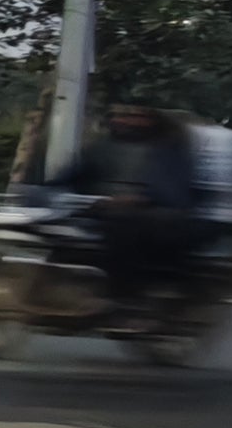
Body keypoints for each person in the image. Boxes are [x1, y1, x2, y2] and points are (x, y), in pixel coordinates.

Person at [83, 103, 205, 306]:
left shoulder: (168, 149)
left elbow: (173, 192)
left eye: (133, 116)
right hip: (102, 209)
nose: (123, 121)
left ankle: (125, 300)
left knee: (125, 226)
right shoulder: (103, 147)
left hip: (154, 215)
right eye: (118, 115)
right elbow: (77, 174)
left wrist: (139, 199)